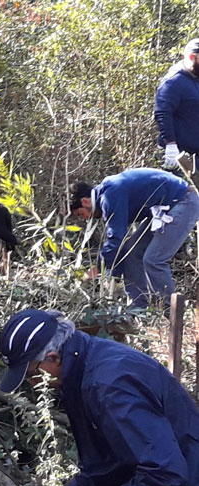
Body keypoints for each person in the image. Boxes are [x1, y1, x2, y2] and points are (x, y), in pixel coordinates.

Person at [0, 307, 199, 486]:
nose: (33, 385)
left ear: (53, 358)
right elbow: (106, 460)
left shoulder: (111, 386)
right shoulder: (80, 369)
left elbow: (165, 474)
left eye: (32, 375)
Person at [69, 168, 199, 310]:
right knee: (132, 253)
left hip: (183, 202)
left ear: (85, 201)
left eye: (81, 214)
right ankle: (139, 308)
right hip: (163, 210)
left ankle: (171, 313)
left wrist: (100, 268)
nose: (86, 219)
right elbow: (119, 243)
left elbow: (116, 238)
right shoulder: (108, 191)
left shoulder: (110, 195)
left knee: (154, 260)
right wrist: (111, 272)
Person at [155, 37, 199, 169]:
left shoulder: (195, 78)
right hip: (181, 156)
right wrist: (170, 145)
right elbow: (162, 113)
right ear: (192, 57)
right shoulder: (173, 81)